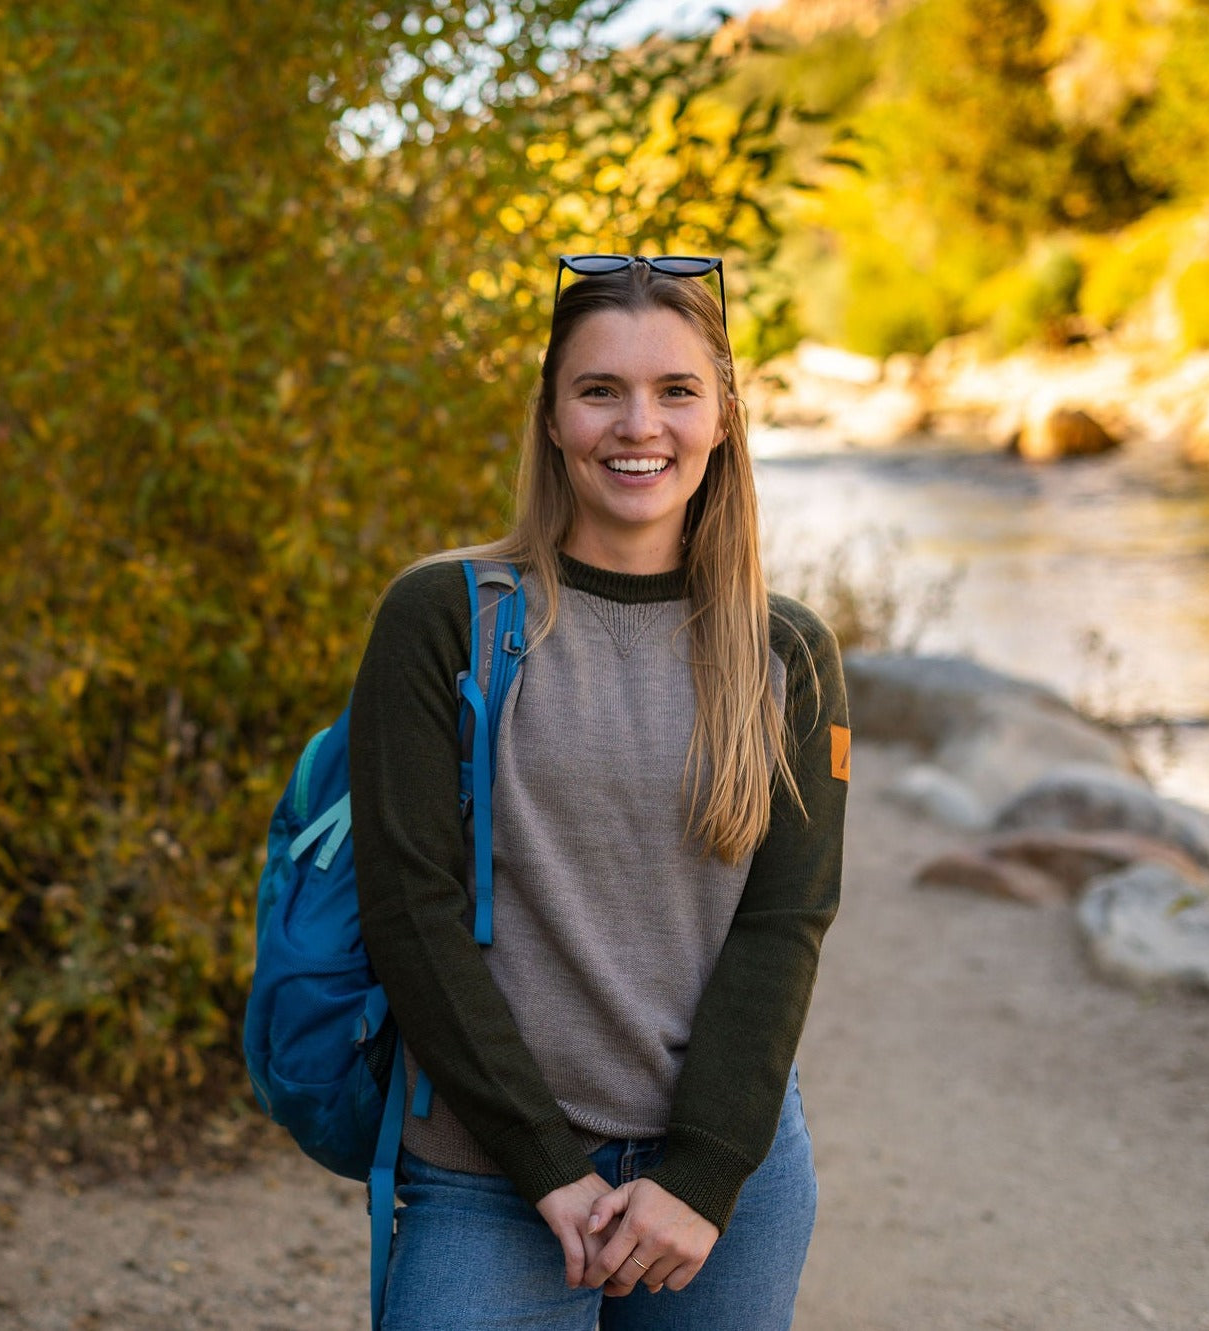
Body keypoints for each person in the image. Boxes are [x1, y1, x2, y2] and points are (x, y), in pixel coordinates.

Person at [349, 253, 849, 1330]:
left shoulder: (784, 650)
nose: (640, 426)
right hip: (489, 1173)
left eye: (675, 390)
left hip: (724, 1189)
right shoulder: (446, 614)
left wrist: (702, 1175)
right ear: (550, 417)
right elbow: (410, 910)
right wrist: (543, 1163)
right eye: (599, 390)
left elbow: (783, 922)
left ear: (721, 416)